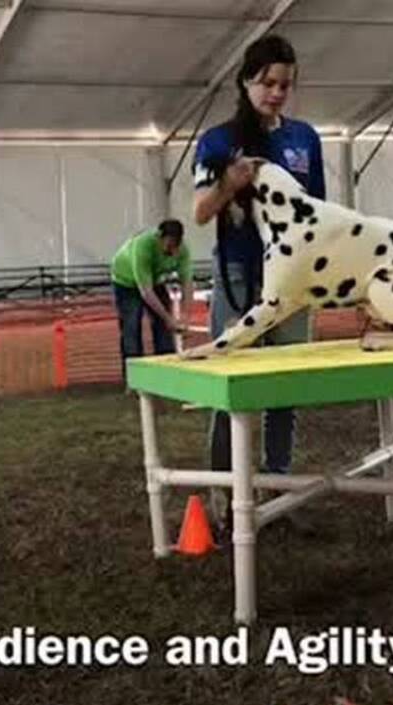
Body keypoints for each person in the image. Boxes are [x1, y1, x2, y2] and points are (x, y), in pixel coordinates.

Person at [191, 35, 325, 512]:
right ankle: (224, 498)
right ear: (246, 81)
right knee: (231, 383)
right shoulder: (217, 141)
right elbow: (201, 213)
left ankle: (277, 488)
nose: (276, 92)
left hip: (291, 279)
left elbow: (317, 214)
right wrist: (230, 183)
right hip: (239, 274)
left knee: (286, 383)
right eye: (267, 82)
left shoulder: (305, 139)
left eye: (284, 84)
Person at [110, 220, 193, 382]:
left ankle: (167, 375)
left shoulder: (183, 251)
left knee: (163, 330)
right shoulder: (143, 246)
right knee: (131, 328)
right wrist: (169, 319)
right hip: (126, 282)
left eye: (176, 246)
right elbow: (145, 292)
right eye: (169, 246)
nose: (172, 251)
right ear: (159, 238)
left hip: (155, 281)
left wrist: (185, 315)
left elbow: (188, 284)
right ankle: (134, 380)